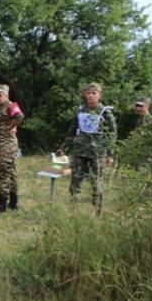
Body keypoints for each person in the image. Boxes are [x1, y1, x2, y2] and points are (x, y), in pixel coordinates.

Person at [56, 82, 116, 213]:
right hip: (79, 152)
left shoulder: (105, 112)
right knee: (75, 181)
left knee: (96, 182)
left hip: (97, 153)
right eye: (88, 93)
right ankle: (73, 209)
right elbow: (72, 131)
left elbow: (112, 134)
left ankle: (97, 210)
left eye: (94, 93)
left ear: (100, 95)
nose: (91, 96)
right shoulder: (80, 110)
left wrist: (110, 155)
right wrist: (63, 148)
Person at [0, 84, 24, 212]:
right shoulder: (1, 108)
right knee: (11, 173)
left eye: (0, 95)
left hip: (6, 146)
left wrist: (12, 126)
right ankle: (13, 203)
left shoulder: (10, 105)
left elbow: (19, 116)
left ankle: (2, 204)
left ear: (6, 95)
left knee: (3, 174)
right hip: (1, 146)